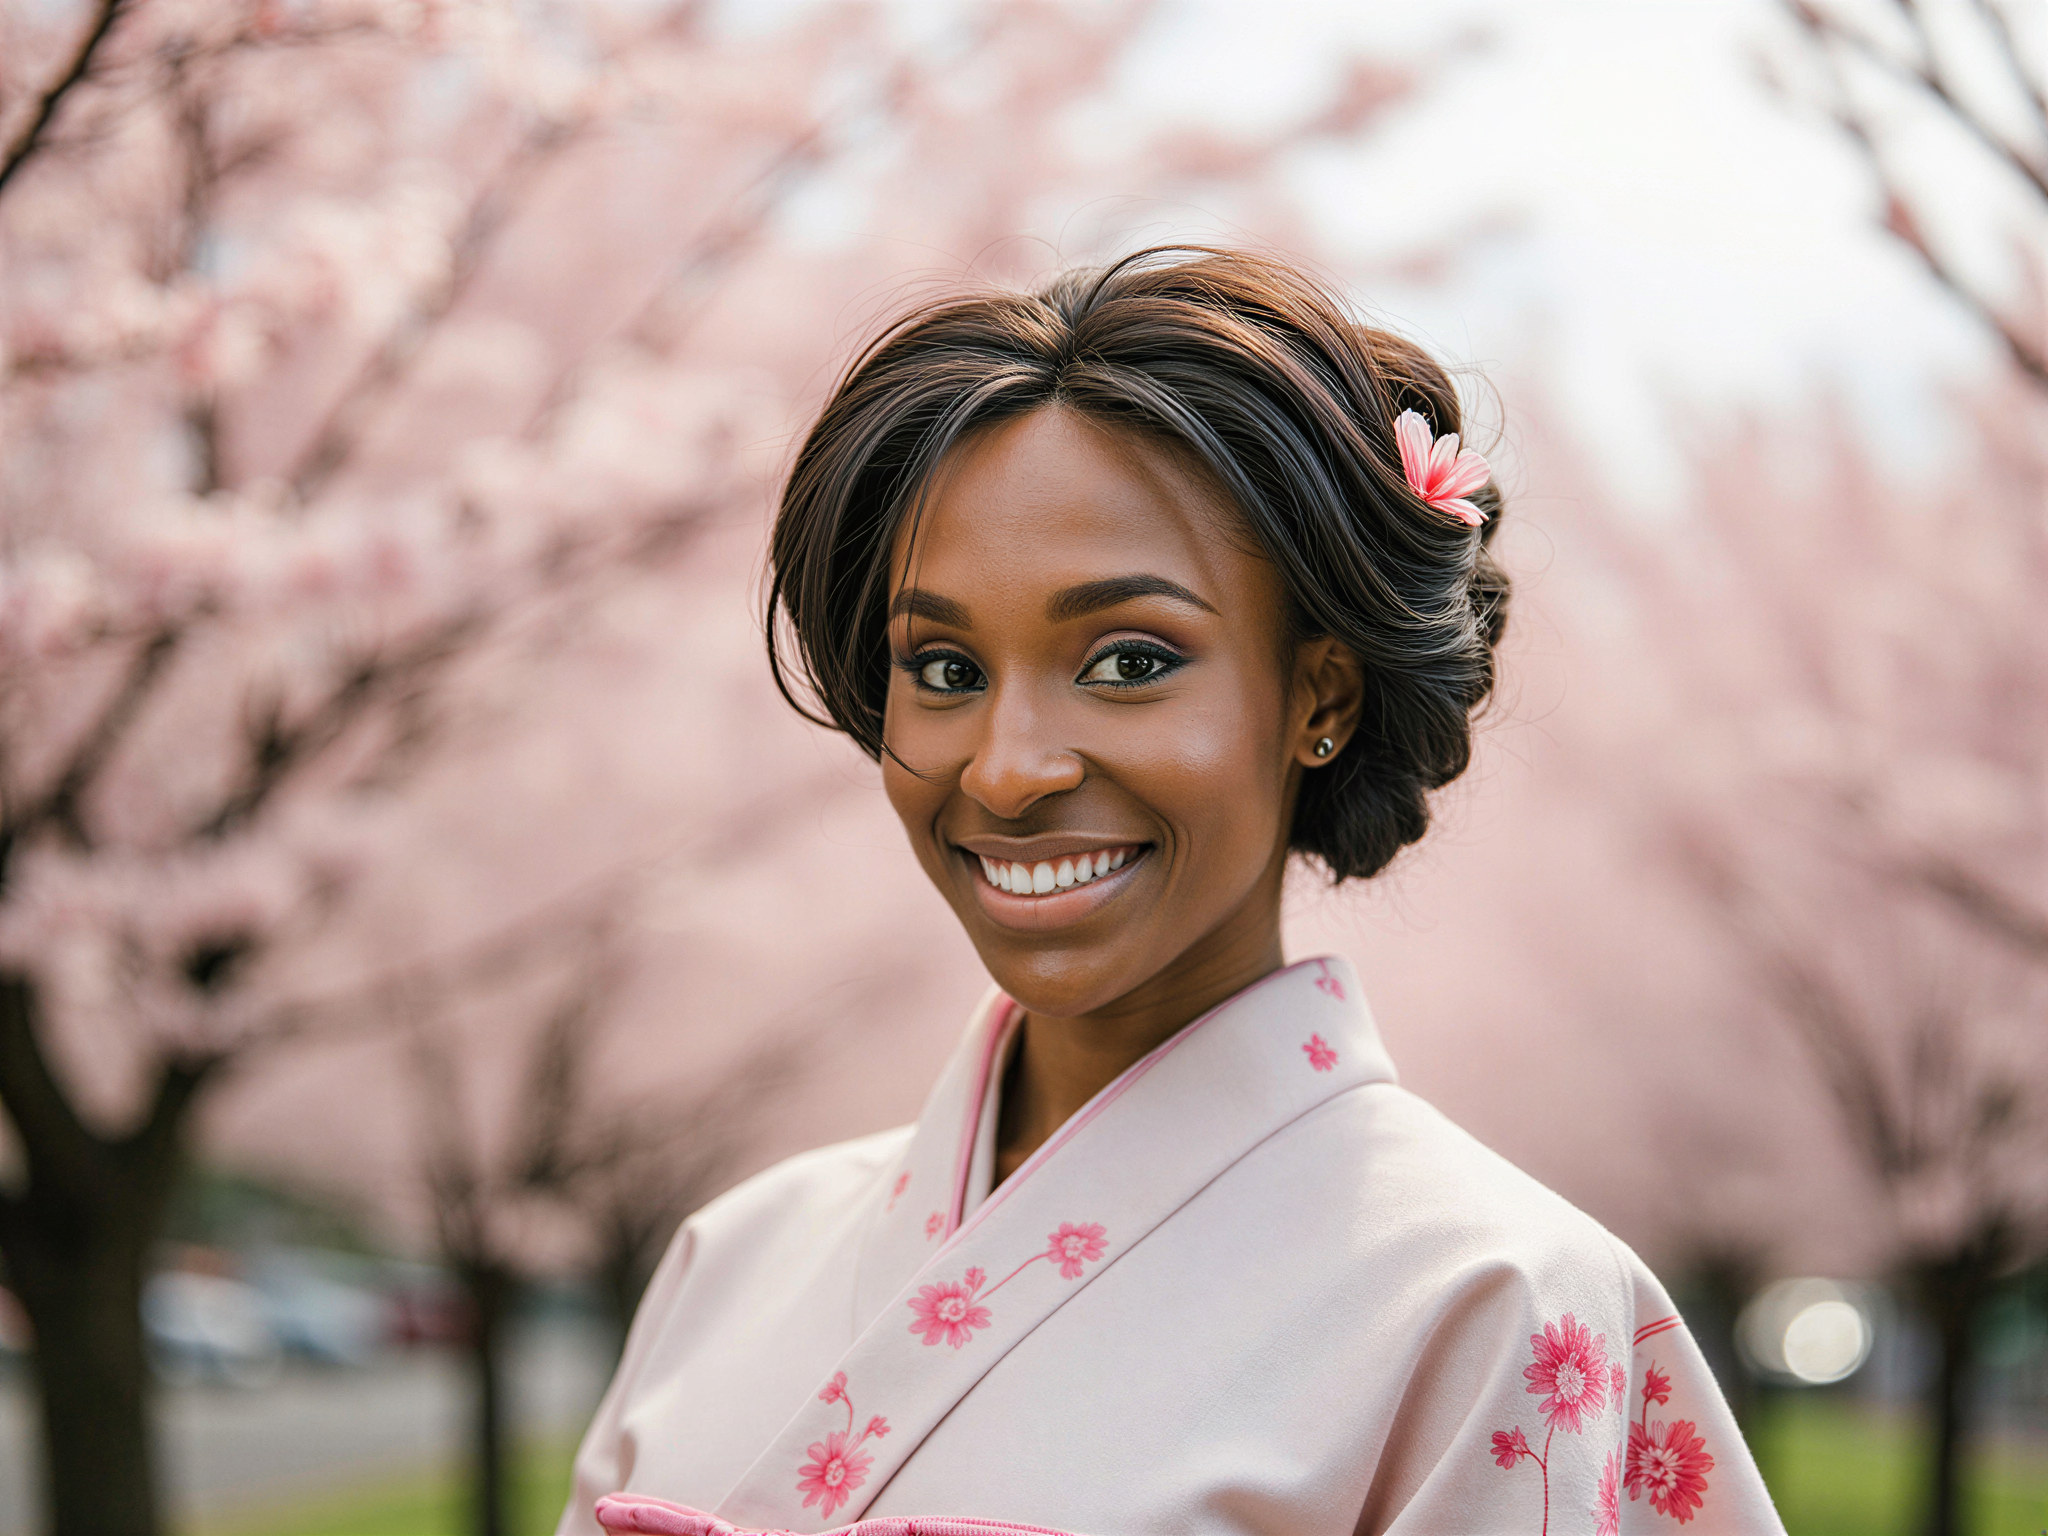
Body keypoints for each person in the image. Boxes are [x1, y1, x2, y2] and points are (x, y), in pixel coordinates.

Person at [556, 247, 1785, 1536]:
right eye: (943, 667)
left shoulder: (1495, 1303)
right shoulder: (733, 1258)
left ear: (1320, 694)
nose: (1010, 768)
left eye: (1130, 660)